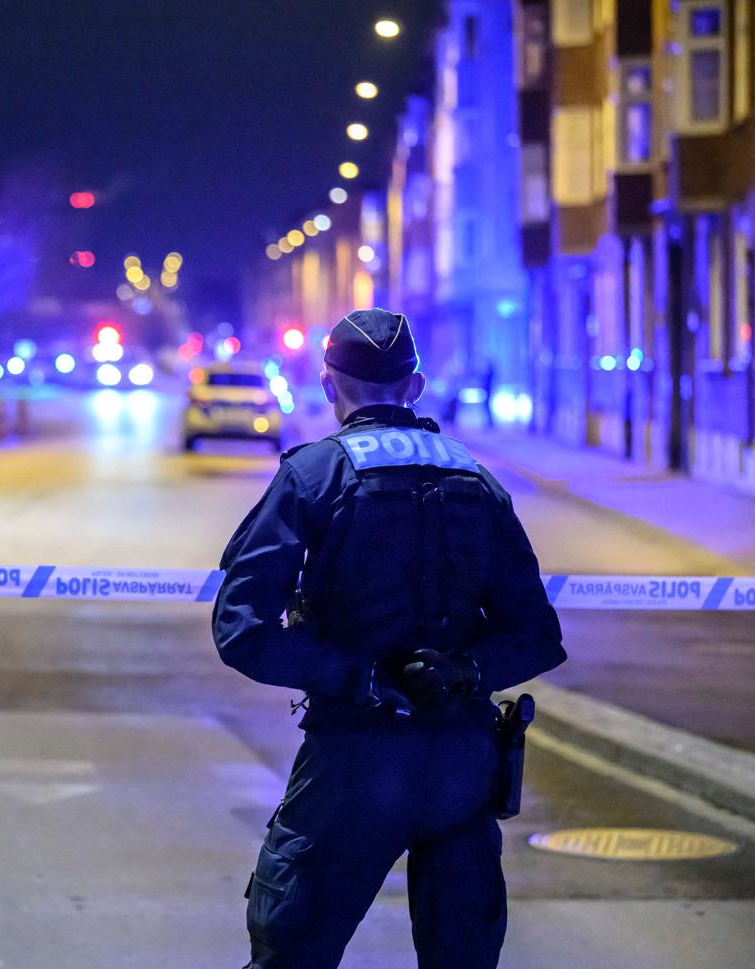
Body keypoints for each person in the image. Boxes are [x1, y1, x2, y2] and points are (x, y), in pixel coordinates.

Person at [212, 308, 565, 969]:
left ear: (327, 385)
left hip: (355, 761)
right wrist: (464, 671)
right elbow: (539, 635)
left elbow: (242, 628)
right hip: (461, 765)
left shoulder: (314, 475)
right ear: (417, 385)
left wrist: (359, 676)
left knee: (293, 952)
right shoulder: (478, 480)